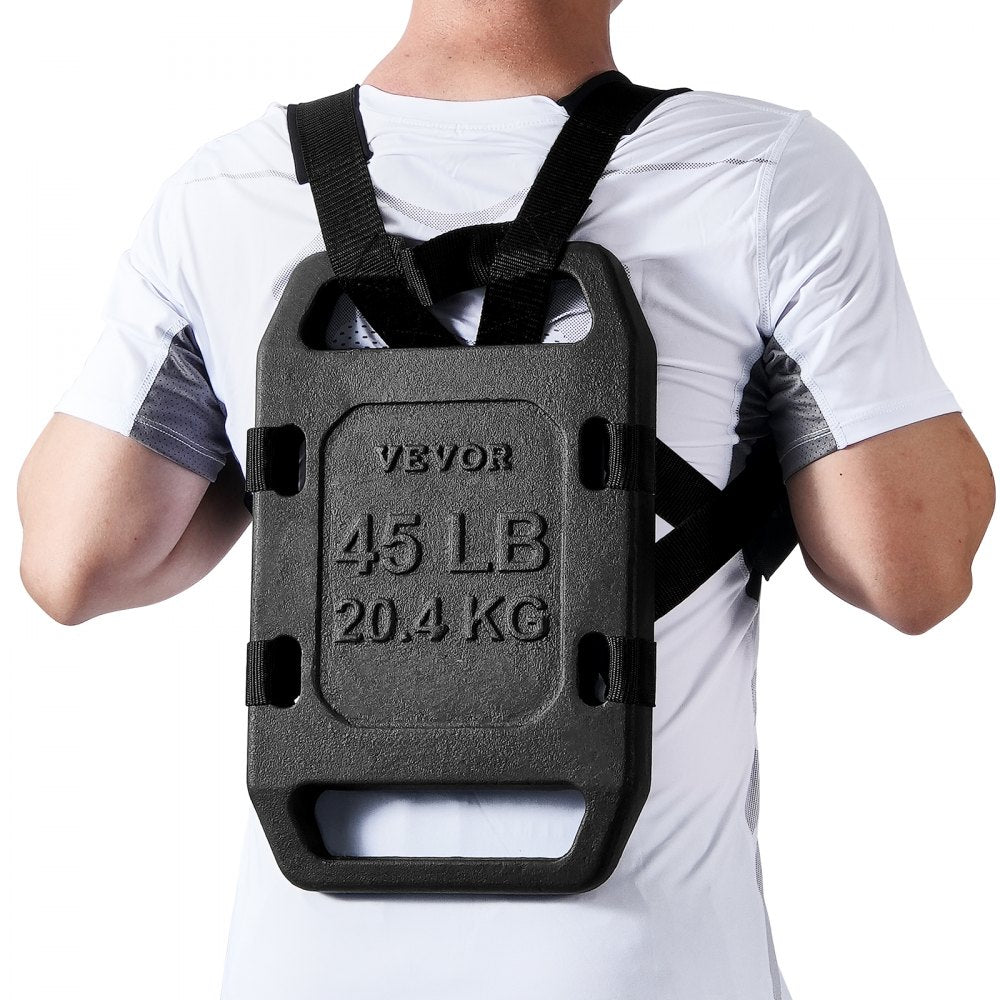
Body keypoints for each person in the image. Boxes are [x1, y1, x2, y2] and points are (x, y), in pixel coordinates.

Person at [16, 1, 995, 997]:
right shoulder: (761, 175)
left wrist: (285, 452)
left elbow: (73, 562)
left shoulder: (227, 193)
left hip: (304, 966)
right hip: (640, 969)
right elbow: (909, 571)